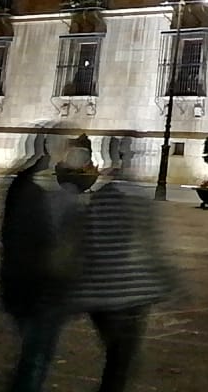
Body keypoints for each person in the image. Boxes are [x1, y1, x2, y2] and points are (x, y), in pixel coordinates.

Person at [70, 134, 178, 391]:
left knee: (117, 362)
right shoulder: (137, 198)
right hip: (127, 297)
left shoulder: (98, 197)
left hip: (99, 297)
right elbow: (151, 245)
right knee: (121, 364)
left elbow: (84, 242)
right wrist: (171, 283)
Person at [0, 132, 84, 392]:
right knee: (36, 356)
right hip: (37, 287)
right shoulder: (33, 189)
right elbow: (36, 240)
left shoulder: (22, 184)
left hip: (22, 283)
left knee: (33, 353)